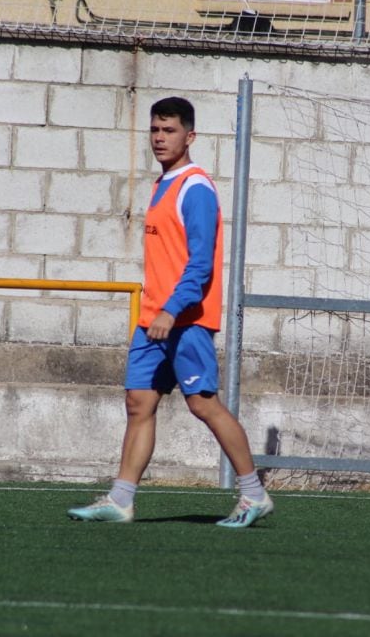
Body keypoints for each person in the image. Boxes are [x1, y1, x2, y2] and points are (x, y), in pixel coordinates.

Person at [67, 96, 274, 529]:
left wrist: (171, 310)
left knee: (204, 405)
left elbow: (200, 263)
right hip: (154, 320)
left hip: (185, 320)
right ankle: (121, 500)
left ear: (190, 136)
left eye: (170, 131)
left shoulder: (195, 188)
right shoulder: (163, 184)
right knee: (138, 403)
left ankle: (254, 494)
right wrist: (156, 312)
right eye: (155, 131)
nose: (160, 139)